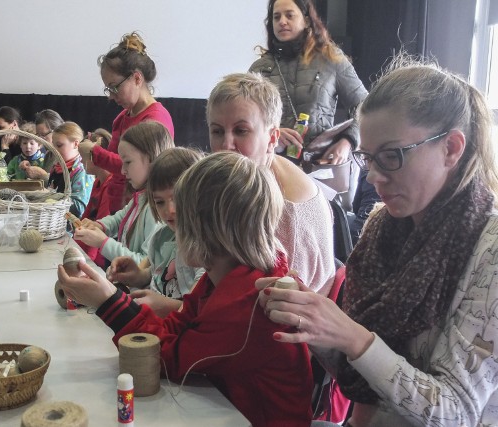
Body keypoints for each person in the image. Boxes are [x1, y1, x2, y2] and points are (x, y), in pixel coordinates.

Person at [258, 57, 498, 426]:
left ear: (451, 148)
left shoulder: (490, 246)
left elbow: (456, 413)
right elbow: (360, 377)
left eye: (392, 156)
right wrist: (309, 317)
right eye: (368, 158)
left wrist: (353, 337)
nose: (374, 177)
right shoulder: (382, 227)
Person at [58, 151, 313, 427]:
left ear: (210, 232)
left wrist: (107, 301)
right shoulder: (226, 277)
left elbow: (169, 359)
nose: (172, 222)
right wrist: (113, 297)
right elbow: (176, 326)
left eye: (183, 218)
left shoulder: (247, 304)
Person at [207, 72, 335, 295]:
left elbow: (278, 311)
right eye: (217, 131)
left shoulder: (288, 211)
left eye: (241, 131)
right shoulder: (246, 178)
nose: (226, 145)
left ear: (273, 138)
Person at [249, 0, 368, 206]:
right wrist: (271, 132)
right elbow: (246, 120)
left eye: (289, 15)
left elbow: (366, 107)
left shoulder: (330, 58)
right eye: (276, 17)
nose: (282, 22)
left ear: (306, 20)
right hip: (274, 169)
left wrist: (348, 141)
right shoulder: (260, 67)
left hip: (320, 168)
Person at [79, 32, 174, 214]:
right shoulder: (122, 118)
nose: (111, 96)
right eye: (108, 89)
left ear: (137, 78)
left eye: (115, 87)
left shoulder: (156, 119)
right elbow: (118, 168)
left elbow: (141, 167)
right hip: (118, 209)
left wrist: (94, 152)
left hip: (143, 211)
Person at [107, 147, 205, 318]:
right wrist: (137, 276)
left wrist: (168, 307)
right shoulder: (162, 235)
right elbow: (157, 273)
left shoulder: (206, 248)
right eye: (160, 202)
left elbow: (200, 309)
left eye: (177, 198)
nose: (170, 210)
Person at [74, 121, 170, 265]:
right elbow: (119, 218)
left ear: (151, 159)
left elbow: (144, 264)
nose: (123, 170)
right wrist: (100, 225)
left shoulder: (156, 208)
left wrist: (103, 243)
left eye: (128, 162)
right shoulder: (142, 196)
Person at [76, 129, 115, 269]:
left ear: (94, 157)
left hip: (101, 258)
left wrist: (86, 264)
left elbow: (100, 227)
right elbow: (86, 218)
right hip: (90, 250)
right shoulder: (98, 182)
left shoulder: (109, 185)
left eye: (83, 157)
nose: (80, 160)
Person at [48, 122, 94, 218]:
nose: (54, 150)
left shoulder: (81, 171)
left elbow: (79, 208)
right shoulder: (55, 168)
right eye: (53, 146)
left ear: (76, 144)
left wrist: (52, 198)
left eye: (59, 145)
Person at [23, 108, 65, 181]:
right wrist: (31, 170)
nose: (41, 140)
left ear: (57, 130)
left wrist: (42, 175)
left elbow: (63, 184)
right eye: (39, 136)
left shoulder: (65, 155)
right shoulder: (49, 155)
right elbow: (46, 185)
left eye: (43, 135)